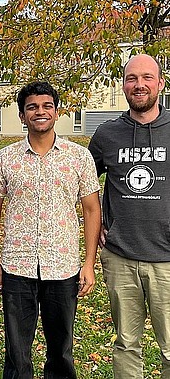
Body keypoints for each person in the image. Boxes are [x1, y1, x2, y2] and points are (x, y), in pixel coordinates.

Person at [0, 81, 101, 379]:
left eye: (47, 106)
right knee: (17, 352)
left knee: (61, 350)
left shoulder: (78, 157)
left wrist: (88, 263)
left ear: (57, 112)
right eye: (32, 107)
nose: (40, 112)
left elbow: (91, 209)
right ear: (22, 115)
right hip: (16, 266)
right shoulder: (5, 158)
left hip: (62, 267)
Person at [88, 54, 170, 378]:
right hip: (120, 258)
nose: (140, 85)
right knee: (125, 344)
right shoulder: (107, 135)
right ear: (123, 85)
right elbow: (82, 187)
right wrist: (101, 224)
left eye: (147, 77)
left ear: (160, 83)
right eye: (132, 78)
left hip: (167, 260)